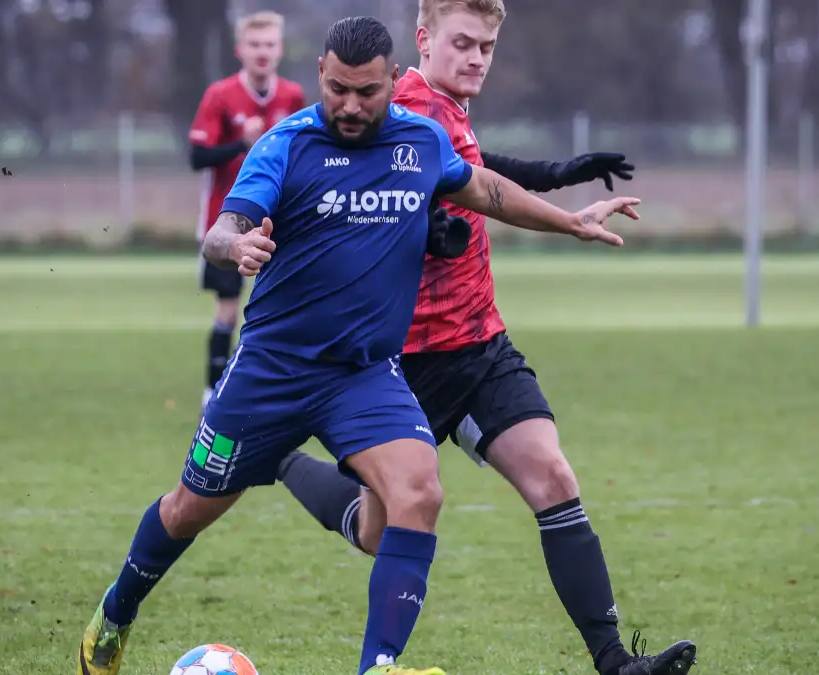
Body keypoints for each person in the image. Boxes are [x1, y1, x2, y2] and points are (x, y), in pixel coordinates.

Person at [77, 16, 642, 675]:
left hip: (365, 375)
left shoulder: (421, 141)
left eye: (366, 91)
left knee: (419, 492)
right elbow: (220, 231)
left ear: (389, 81)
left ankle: (380, 665)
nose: (350, 104)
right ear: (320, 73)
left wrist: (570, 221)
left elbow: (486, 188)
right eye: (339, 89)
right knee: (187, 509)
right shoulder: (285, 146)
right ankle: (115, 614)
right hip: (272, 371)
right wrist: (237, 245)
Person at [274, 2, 697, 674]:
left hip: (480, 346)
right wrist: (426, 229)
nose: (477, 58)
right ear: (423, 40)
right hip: (400, 366)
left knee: (553, 476)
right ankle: (284, 461)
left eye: (488, 47)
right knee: (375, 527)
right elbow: (358, 198)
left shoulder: (446, 108)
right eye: (463, 43)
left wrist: (562, 181)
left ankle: (616, 661)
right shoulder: (396, 108)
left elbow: (475, 168)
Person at [189, 10, 306, 406]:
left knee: (276, 305)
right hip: (225, 221)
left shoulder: (291, 96)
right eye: (255, 45)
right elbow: (197, 156)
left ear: (280, 50)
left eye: (270, 45)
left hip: (276, 221)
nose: (262, 52)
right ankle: (213, 390)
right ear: (241, 50)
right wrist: (242, 143)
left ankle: (268, 388)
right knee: (227, 308)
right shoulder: (220, 95)